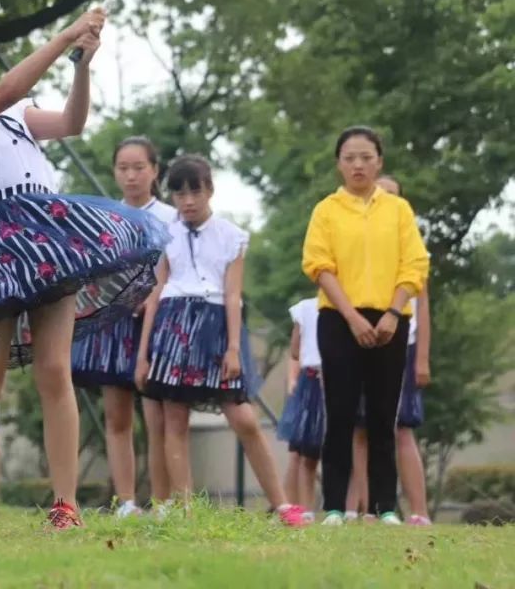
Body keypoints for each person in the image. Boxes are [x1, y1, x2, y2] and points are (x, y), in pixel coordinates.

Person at [0, 10, 169, 533]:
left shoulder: (17, 114)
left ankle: (65, 505)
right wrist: (66, 34)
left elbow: (73, 123)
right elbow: (4, 91)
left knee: (56, 371)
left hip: (49, 235)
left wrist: (82, 64)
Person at [136, 155, 306, 526]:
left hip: (215, 325)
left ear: (209, 190)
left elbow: (233, 295)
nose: (187, 200)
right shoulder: (165, 234)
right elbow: (156, 290)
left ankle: (281, 506)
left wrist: (232, 347)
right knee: (174, 420)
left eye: (195, 191)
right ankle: (185, 509)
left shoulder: (231, 236)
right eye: (179, 193)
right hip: (172, 325)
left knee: (243, 418)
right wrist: (143, 354)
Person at [302, 127, 430, 526]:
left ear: (380, 161)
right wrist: (353, 318)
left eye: (366, 157)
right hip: (339, 318)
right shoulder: (327, 210)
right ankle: (336, 506)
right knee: (339, 412)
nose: (358, 165)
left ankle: (385, 507)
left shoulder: (398, 211)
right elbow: (318, 265)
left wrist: (393, 313)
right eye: (350, 158)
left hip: (391, 320)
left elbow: (414, 264)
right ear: (339, 163)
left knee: (382, 415)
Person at [72, 136, 176, 517]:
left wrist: (153, 296)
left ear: (155, 171)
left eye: (139, 168)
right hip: (115, 323)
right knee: (117, 417)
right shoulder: (107, 216)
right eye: (123, 168)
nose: (131, 176)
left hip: (159, 322)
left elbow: (177, 269)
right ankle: (127, 500)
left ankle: (165, 501)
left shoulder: (170, 216)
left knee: (158, 417)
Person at [344, 175, 433, 525]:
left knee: (401, 429)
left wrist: (422, 358)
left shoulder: (413, 252)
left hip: (402, 346)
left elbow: (423, 307)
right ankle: (369, 509)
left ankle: (420, 512)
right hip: (362, 343)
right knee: (361, 430)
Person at [277, 297, 323, 522]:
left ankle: (303, 510)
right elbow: (295, 351)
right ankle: (293, 509)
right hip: (309, 384)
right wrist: (292, 381)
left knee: (306, 454)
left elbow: (296, 350)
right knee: (300, 453)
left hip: (319, 381)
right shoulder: (305, 309)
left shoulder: (306, 308)